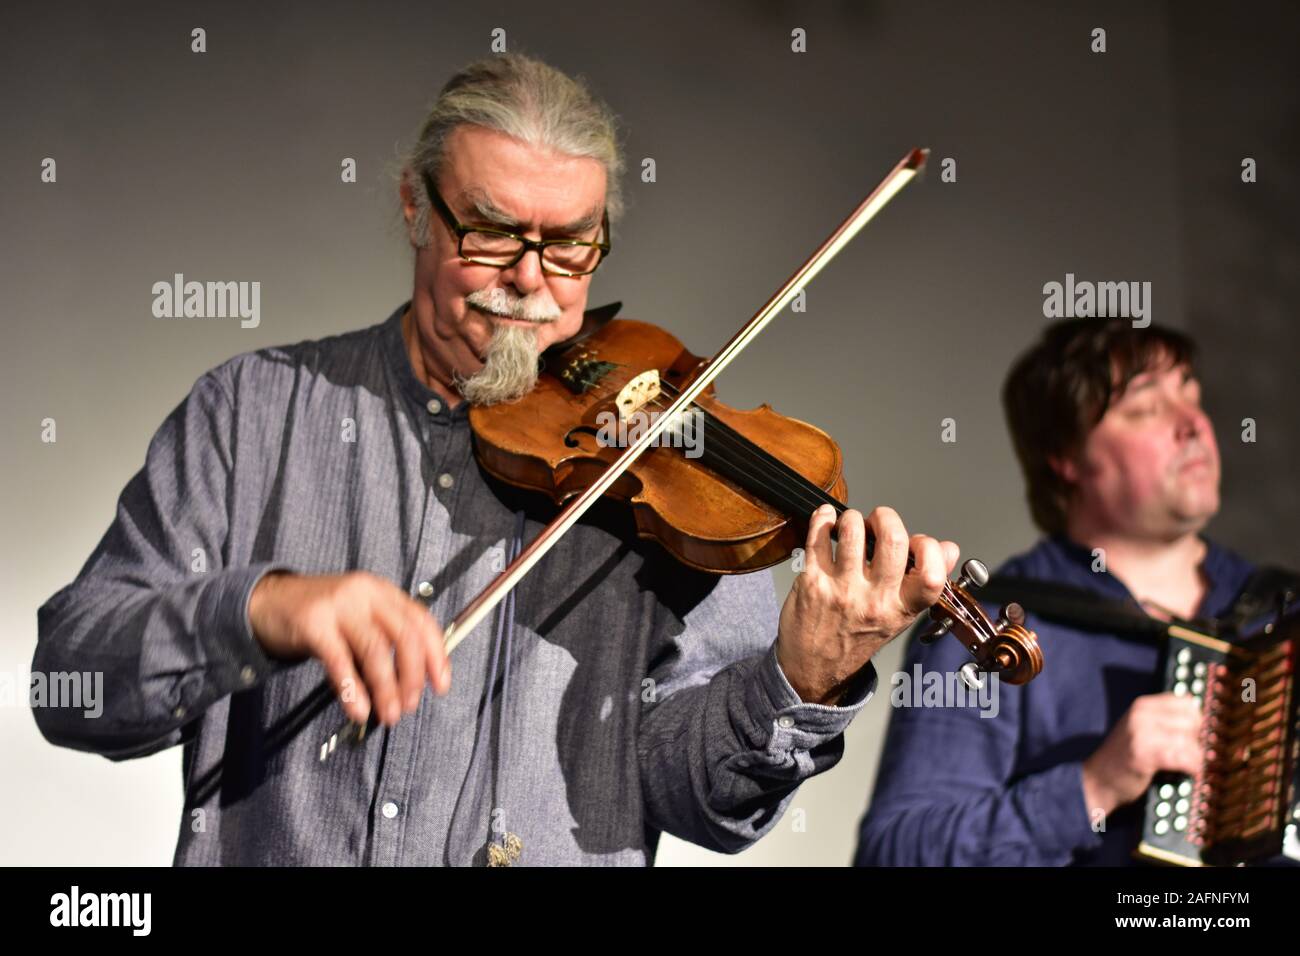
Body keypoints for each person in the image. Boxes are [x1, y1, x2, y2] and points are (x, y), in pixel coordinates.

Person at [34, 53, 958, 866]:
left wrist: (797, 680)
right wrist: (264, 607)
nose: (530, 280)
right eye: (491, 232)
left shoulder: (672, 472)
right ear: (413, 205)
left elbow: (703, 802)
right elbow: (69, 683)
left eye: (569, 246)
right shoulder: (251, 410)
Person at [855, 317, 1270, 866]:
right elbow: (895, 855)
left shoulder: (1277, 607)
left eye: (1190, 391)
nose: (1193, 423)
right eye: (1146, 407)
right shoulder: (987, 624)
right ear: (1067, 459)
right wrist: (1092, 789)